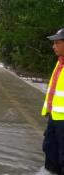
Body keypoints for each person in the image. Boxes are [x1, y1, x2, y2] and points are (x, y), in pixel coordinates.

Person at [42, 28, 64, 174]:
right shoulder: (60, 62)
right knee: (49, 148)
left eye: (57, 43)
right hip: (54, 116)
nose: (53, 46)